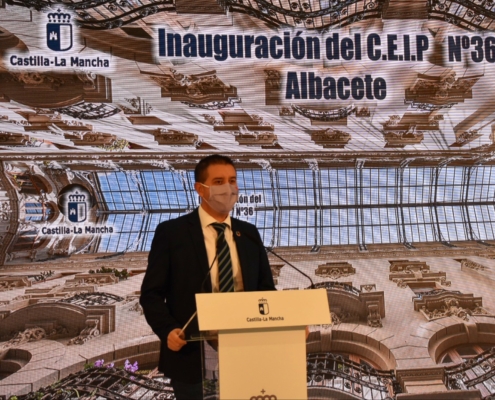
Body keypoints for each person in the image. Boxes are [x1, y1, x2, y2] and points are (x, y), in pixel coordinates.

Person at [140, 155, 276, 400]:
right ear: (200, 189)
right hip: (192, 352)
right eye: (219, 181)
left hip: (246, 348)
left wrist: (287, 324)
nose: (228, 188)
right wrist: (167, 329)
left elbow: (265, 291)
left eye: (232, 180)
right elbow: (151, 294)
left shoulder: (249, 233)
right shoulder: (171, 233)